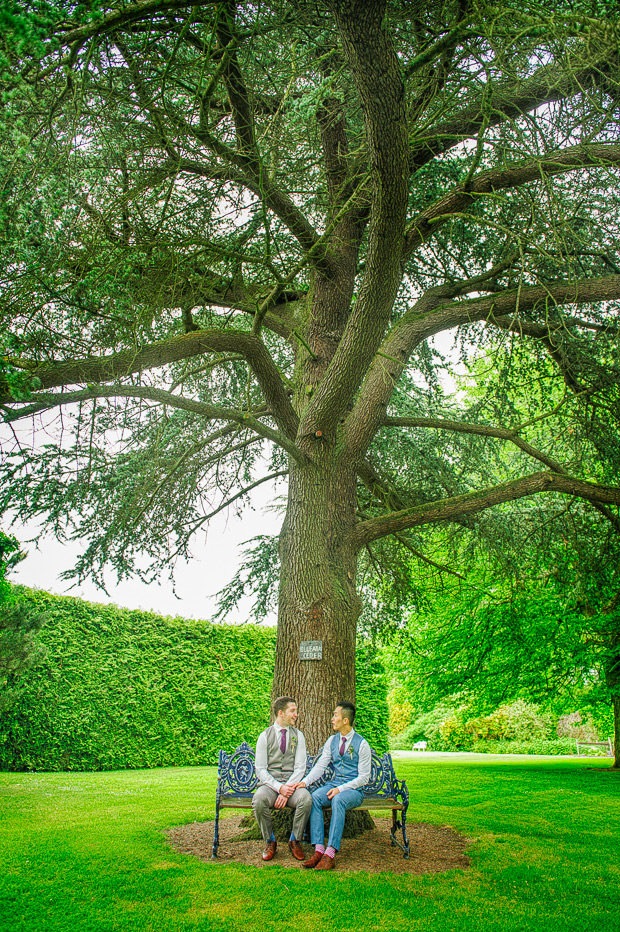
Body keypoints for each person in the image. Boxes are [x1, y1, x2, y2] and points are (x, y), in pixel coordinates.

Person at [294, 701, 370, 871]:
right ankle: (319, 850)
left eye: (335, 715)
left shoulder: (362, 744)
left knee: (338, 801)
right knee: (315, 798)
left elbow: (364, 777)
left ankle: (330, 854)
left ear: (345, 720)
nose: (332, 719)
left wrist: (341, 789)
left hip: (353, 791)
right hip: (334, 784)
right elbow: (321, 765)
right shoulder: (331, 741)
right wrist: (305, 782)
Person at [252, 696, 312, 861]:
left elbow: (300, 767)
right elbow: (261, 770)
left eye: (295, 711)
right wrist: (279, 788)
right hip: (270, 785)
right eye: (292, 711)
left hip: (292, 785)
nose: (296, 715)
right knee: (258, 800)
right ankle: (270, 841)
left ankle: (295, 840)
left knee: (306, 799)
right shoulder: (264, 736)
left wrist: (287, 790)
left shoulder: (298, 735)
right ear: (281, 713)